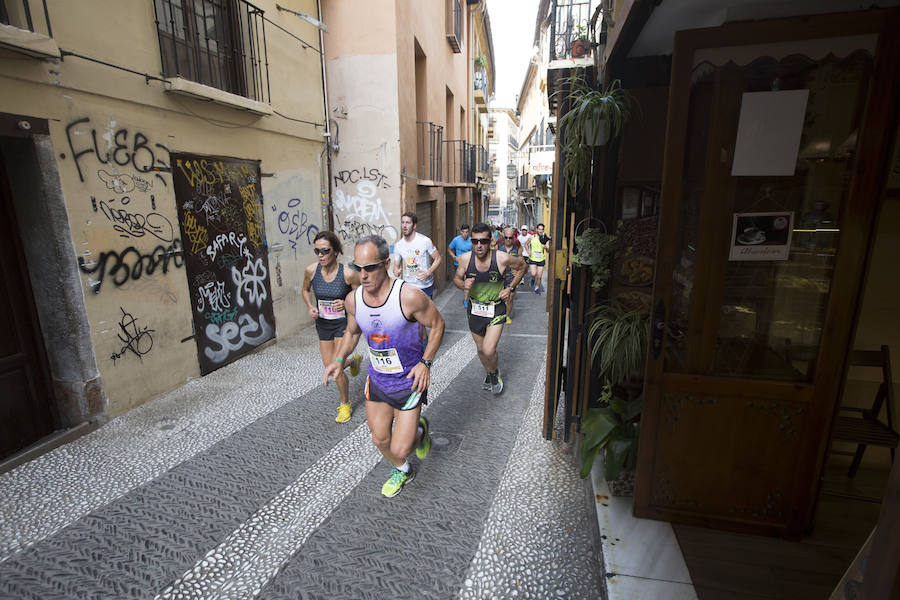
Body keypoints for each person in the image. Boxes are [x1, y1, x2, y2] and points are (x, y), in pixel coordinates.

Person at [324, 235, 446, 498]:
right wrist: (337, 359)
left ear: (387, 264)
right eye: (358, 268)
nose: (363, 275)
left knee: (401, 447)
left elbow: (437, 325)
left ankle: (419, 430)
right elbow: (352, 332)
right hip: (378, 380)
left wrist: (426, 362)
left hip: (409, 381)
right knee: (379, 439)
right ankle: (403, 470)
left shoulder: (409, 297)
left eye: (370, 267)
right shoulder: (353, 300)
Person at [453, 222, 526, 395]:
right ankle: (490, 372)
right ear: (471, 242)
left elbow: (522, 266)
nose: (479, 245)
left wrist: (510, 288)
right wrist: (464, 284)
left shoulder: (501, 258)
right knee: (480, 350)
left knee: (488, 349)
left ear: (490, 241)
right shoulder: (464, 259)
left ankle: (494, 375)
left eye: (483, 241)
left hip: (496, 309)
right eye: (475, 241)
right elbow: (456, 279)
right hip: (474, 309)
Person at [302, 231, 362, 423]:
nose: (320, 255)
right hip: (323, 324)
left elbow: (361, 298)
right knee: (329, 365)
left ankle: (345, 404)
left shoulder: (348, 274)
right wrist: (310, 306)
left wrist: (345, 304)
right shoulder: (311, 271)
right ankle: (352, 362)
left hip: (342, 324)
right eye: (317, 251)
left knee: (335, 369)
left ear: (335, 251)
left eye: (325, 251)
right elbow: (305, 290)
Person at [392, 212, 442, 299]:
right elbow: (396, 267)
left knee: (425, 312)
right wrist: (396, 271)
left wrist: (428, 272)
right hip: (408, 286)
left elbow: (438, 258)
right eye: (403, 222)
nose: (404, 225)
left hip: (425, 286)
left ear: (414, 226)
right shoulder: (398, 245)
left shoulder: (425, 241)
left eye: (408, 223)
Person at [496, 226, 522, 322]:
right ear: (503, 237)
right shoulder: (498, 247)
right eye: (506, 237)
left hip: (511, 277)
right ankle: (498, 313)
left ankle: (506, 316)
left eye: (510, 237)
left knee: (510, 297)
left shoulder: (518, 248)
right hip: (499, 276)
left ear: (513, 237)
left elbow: (522, 264)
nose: (508, 240)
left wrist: (518, 270)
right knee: (499, 297)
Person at [448, 223, 473, 307]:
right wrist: (454, 257)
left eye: (466, 232)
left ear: (469, 232)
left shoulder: (471, 241)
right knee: (459, 283)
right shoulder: (456, 240)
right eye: (463, 232)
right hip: (458, 265)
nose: (465, 234)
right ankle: (468, 291)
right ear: (460, 232)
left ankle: (466, 300)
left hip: (468, 264)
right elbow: (449, 249)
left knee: (467, 280)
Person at [525, 223, 551, 295]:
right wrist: (528, 251)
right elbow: (526, 244)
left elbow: (548, 251)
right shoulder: (532, 237)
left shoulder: (545, 239)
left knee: (539, 276)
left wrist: (546, 247)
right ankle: (533, 279)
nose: (540, 231)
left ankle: (537, 288)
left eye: (542, 229)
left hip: (541, 260)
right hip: (533, 259)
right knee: (533, 274)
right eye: (539, 229)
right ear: (536, 229)